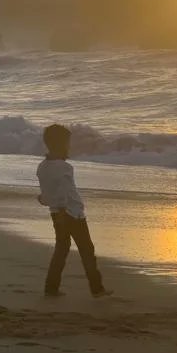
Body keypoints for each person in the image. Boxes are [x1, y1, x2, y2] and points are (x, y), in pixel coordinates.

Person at [36, 124, 111, 299]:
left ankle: (51, 287)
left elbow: (47, 192)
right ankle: (97, 288)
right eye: (67, 143)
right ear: (61, 144)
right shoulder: (64, 167)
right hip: (72, 213)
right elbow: (64, 192)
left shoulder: (42, 167)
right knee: (86, 250)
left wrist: (45, 201)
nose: (69, 146)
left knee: (61, 249)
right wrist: (64, 210)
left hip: (56, 212)